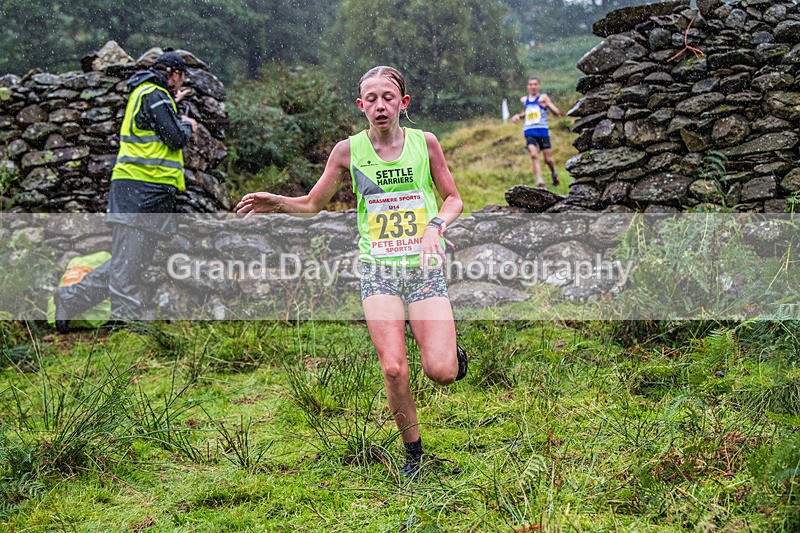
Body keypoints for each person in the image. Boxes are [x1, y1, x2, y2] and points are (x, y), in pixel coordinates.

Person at [236, 66, 468, 478]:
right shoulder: (347, 151)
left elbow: (453, 198)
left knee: (442, 372)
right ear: (361, 106)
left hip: (423, 269)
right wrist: (278, 202)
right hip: (378, 271)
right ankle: (414, 455)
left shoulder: (425, 143)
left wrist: (435, 226)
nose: (380, 106)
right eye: (371, 99)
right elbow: (313, 204)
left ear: (403, 103)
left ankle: (451, 353)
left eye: (388, 97)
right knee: (393, 368)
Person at [54, 51, 198, 331]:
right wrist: (187, 125)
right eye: (181, 79)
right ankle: (124, 326)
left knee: (133, 261)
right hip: (140, 189)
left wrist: (173, 105)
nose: (181, 84)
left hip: (147, 190)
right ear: (175, 74)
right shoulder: (154, 95)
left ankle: (71, 297)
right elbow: (174, 138)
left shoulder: (150, 94)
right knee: (128, 263)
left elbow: (155, 127)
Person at [511, 76, 561, 188]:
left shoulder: (543, 98)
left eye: (535, 84)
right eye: (531, 84)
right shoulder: (524, 100)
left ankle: (554, 173)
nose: (533, 87)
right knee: (534, 155)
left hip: (542, 131)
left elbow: (557, 113)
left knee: (548, 160)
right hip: (529, 130)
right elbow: (529, 113)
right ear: (527, 86)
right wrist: (518, 116)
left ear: (539, 86)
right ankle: (540, 181)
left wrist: (547, 105)